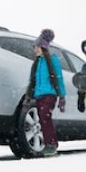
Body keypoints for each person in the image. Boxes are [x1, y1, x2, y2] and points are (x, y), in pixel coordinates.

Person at [24, 28, 66, 156]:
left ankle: (51, 144)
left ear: (43, 47)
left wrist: (62, 96)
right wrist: (28, 96)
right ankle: (50, 143)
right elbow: (33, 81)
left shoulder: (52, 60)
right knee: (43, 119)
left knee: (44, 116)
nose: (34, 49)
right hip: (39, 95)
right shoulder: (37, 62)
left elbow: (59, 77)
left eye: (36, 47)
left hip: (50, 94)